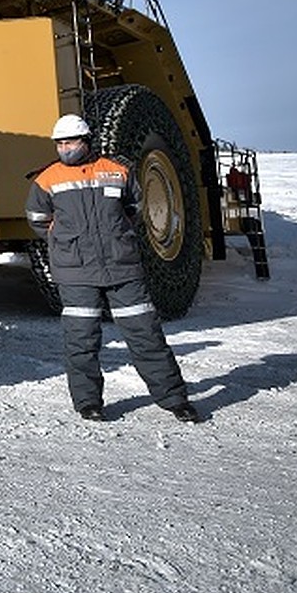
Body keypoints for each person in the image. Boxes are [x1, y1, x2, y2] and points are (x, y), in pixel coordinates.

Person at [26, 114, 200, 423]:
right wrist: (68, 242)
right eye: (60, 143)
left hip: (123, 270)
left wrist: (115, 238)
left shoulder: (118, 171)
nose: (65, 148)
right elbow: (38, 219)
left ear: (87, 141)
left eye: (71, 142)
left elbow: (134, 210)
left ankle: (175, 400)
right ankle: (88, 404)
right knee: (81, 341)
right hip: (76, 273)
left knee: (146, 336)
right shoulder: (46, 179)